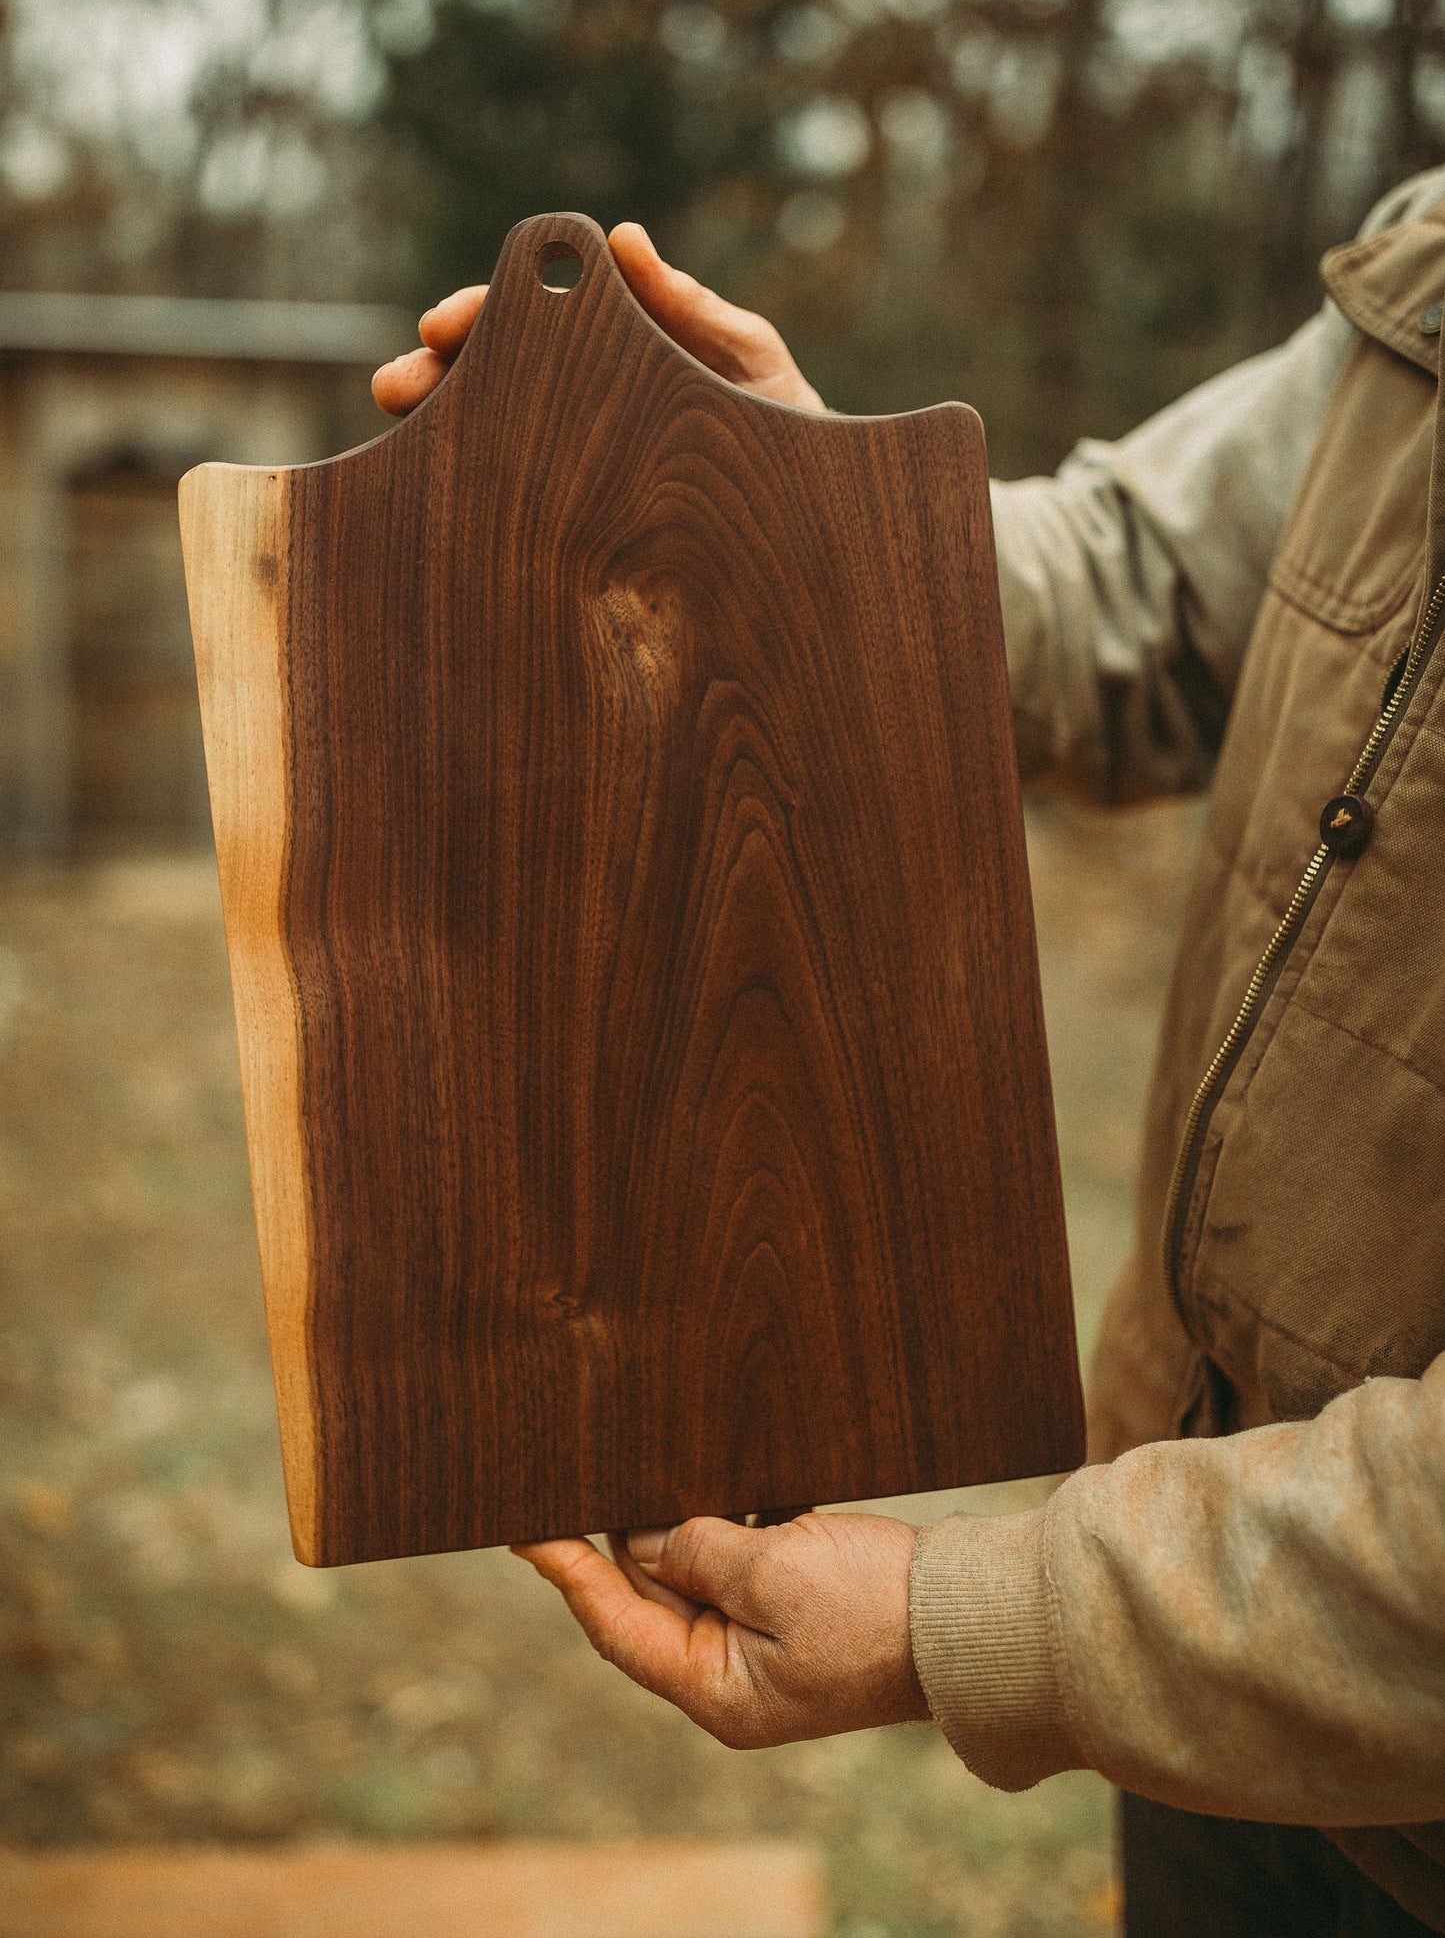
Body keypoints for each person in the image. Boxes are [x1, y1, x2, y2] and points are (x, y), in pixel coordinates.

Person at [373, 174, 1445, 1936]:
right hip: (1209, 1698)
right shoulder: (1428, 258)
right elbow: (1140, 580)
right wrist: (815, 517)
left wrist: (984, 1617)